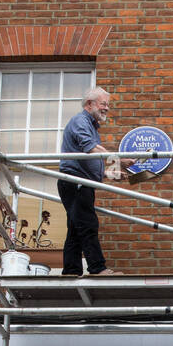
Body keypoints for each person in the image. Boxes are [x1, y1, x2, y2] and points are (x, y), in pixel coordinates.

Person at [58, 87, 122, 277]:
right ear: (89, 104)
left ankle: (71, 270)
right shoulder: (81, 121)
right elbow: (90, 149)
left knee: (76, 228)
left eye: (108, 105)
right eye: (103, 104)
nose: (107, 108)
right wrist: (119, 159)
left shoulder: (91, 126)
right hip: (75, 183)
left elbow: (89, 163)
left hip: (79, 182)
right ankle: (97, 268)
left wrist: (112, 173)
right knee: (87, 224)